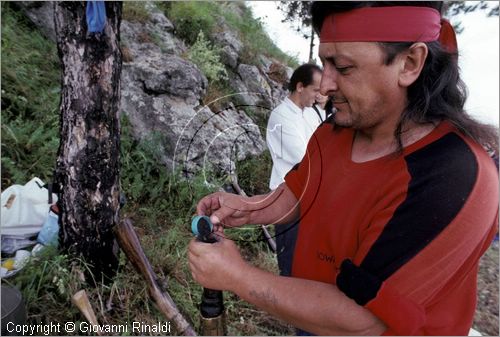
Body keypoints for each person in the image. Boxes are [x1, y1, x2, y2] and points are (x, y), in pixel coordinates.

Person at [188, 2, 499, 335]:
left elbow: (362, 318)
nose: (325, 86)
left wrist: (238, 277)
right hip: (309, 313)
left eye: (344, 67)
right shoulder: (336, 130)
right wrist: (251, 208)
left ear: (410, 63)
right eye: (324, 63)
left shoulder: (451, 175)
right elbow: (301, 190)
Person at [266, 63, 325, 276]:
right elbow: (305, 159)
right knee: (290, 264)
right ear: (300, 87)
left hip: (311, 199)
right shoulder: (280, 117)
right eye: (316, 90)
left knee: (309, 264)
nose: (319, 95)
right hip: (288, 200)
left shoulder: (311, 114)